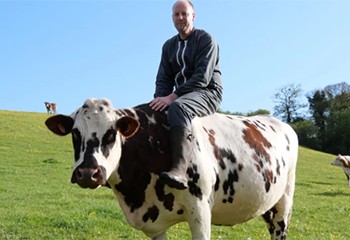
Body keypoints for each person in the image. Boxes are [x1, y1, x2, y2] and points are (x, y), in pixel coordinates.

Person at [149, 0, 223, 190]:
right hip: (179, 96)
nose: (180, 18)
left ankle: (180, 170)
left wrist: (171, 98)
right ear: (172, 17)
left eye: (184, 13)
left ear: (193, 16)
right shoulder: (168, 46)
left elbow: (202, 78)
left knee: (178, 107)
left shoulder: (206, 39)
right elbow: (163, 79)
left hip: (206, 92)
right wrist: (159, 100)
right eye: (176, 14)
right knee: (150, 112)